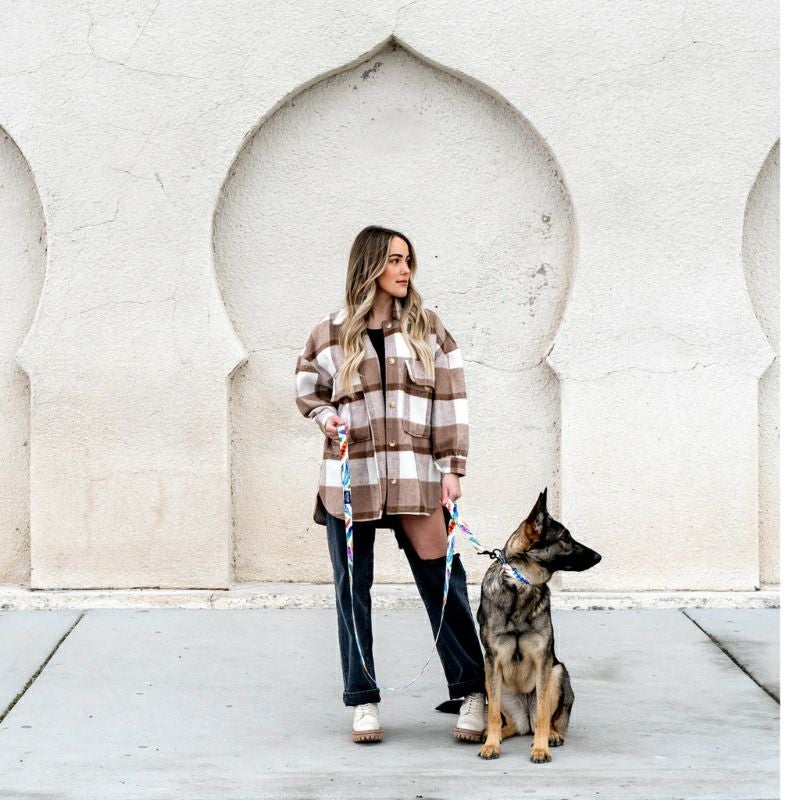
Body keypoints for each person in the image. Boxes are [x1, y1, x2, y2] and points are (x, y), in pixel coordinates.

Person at [294, 225, 486, 744]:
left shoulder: (429, 328)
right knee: (351, 590)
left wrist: (452, 469)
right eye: (395, 260)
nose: (405, 270)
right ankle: (363, 699)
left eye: (407, 260)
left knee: (443, 581)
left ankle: (472, 689)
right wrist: (327, 417)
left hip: (416, 475)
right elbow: (308, 390)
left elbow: (451, 400)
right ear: (370, 265)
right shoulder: (329, 333)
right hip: (351, 477)